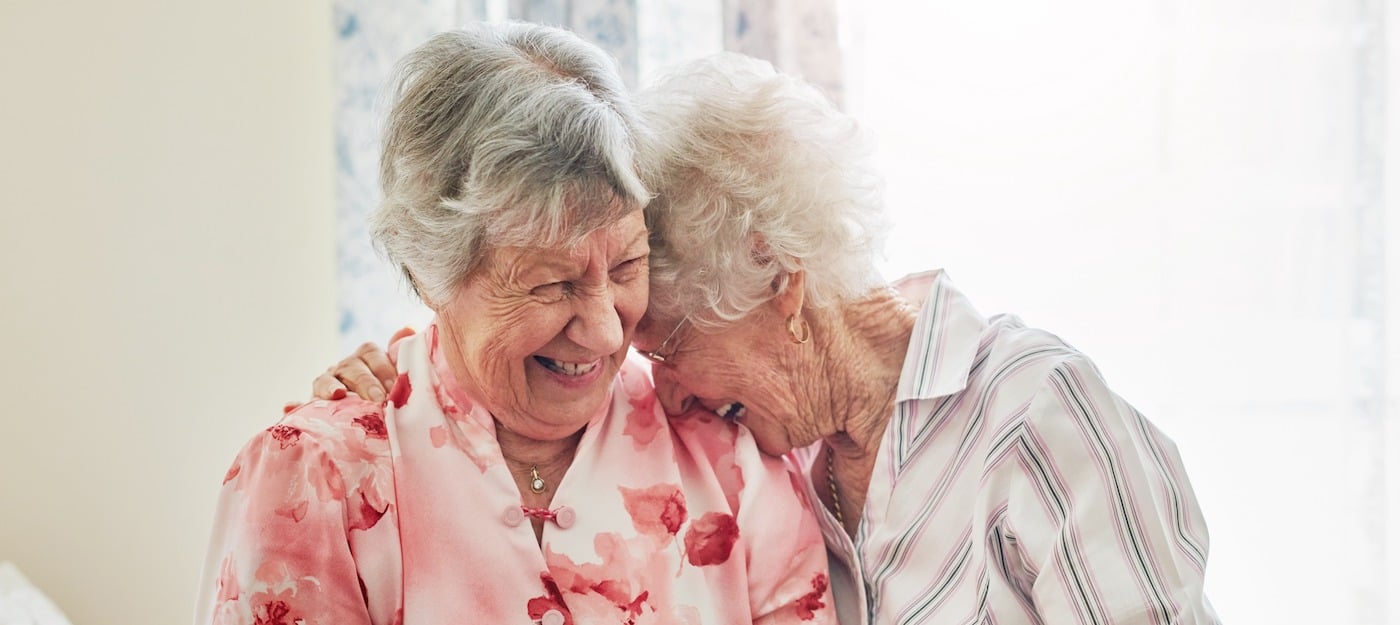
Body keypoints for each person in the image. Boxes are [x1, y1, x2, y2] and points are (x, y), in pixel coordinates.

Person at [321, 52, 1222, 625]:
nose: (662, 394)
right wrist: (397, 374)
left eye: (668, 347)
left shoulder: (1033, 417)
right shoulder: (782, 459)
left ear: (777, 280)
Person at [197, 24, 835, 625]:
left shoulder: (731, 462)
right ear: (432, 273)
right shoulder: (314, 480)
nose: (607, 333)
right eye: (552, 284)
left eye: (626, 266)